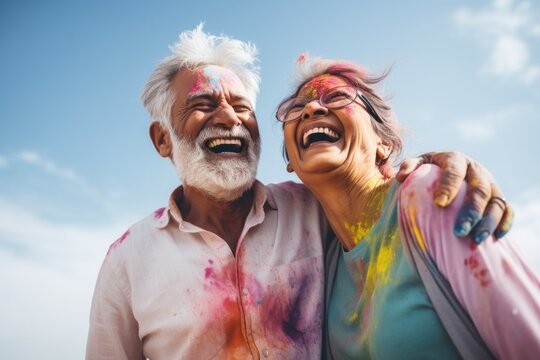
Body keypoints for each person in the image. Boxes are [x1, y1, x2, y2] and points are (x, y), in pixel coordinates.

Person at [86, 25, 514, 359]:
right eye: (202, 105)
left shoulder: (311, 210)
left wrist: (440, 164)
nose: (228, 118)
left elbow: (369, 184)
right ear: (162, 140)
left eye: (242, 107)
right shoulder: (127, 262)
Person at [276, 55, 540, 359]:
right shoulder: (319, 258)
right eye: (297, 108)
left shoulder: (431, 193)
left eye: (337, 97)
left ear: (383, 143)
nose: (311, 108)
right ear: (291, 164)